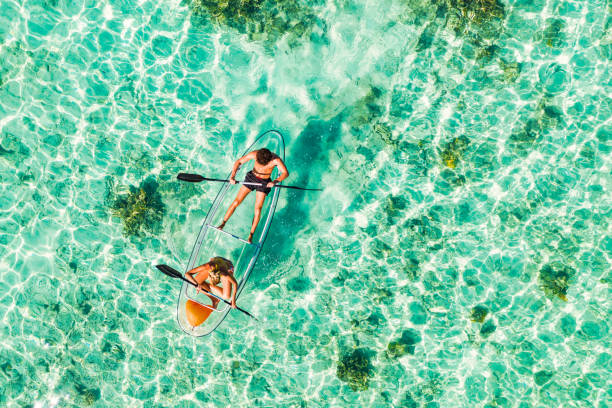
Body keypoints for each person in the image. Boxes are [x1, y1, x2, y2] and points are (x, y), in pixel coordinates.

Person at [218, 148, 288, 242]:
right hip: (251, 178)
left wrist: (275, 181)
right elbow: (238, 162)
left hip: (264, 182)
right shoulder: (255, 154)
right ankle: (223, 223)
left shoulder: (275, 160)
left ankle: (251, 235)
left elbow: (285, 173)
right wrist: (232, 176)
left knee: (258, 209)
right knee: (237, 201)